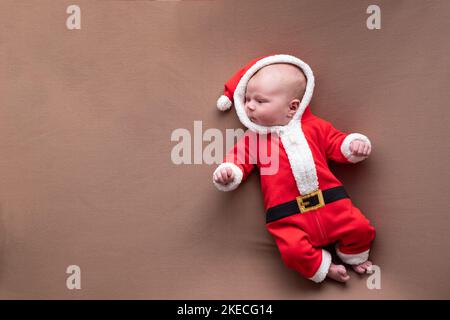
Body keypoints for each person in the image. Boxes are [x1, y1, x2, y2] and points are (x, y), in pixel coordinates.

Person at [213, 54, 375, 283]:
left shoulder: (316, 127)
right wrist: (228, 172)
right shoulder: (254, 140)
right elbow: (238, 159)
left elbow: (337, 144)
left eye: (260, 101)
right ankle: (324, 267)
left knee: (361, 229)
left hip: (331, 203)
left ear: (292, 107)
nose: (249, 106)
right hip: (287, 216)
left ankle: (353, 256)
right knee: (292, 253)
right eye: (247, 99)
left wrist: (353, 146)